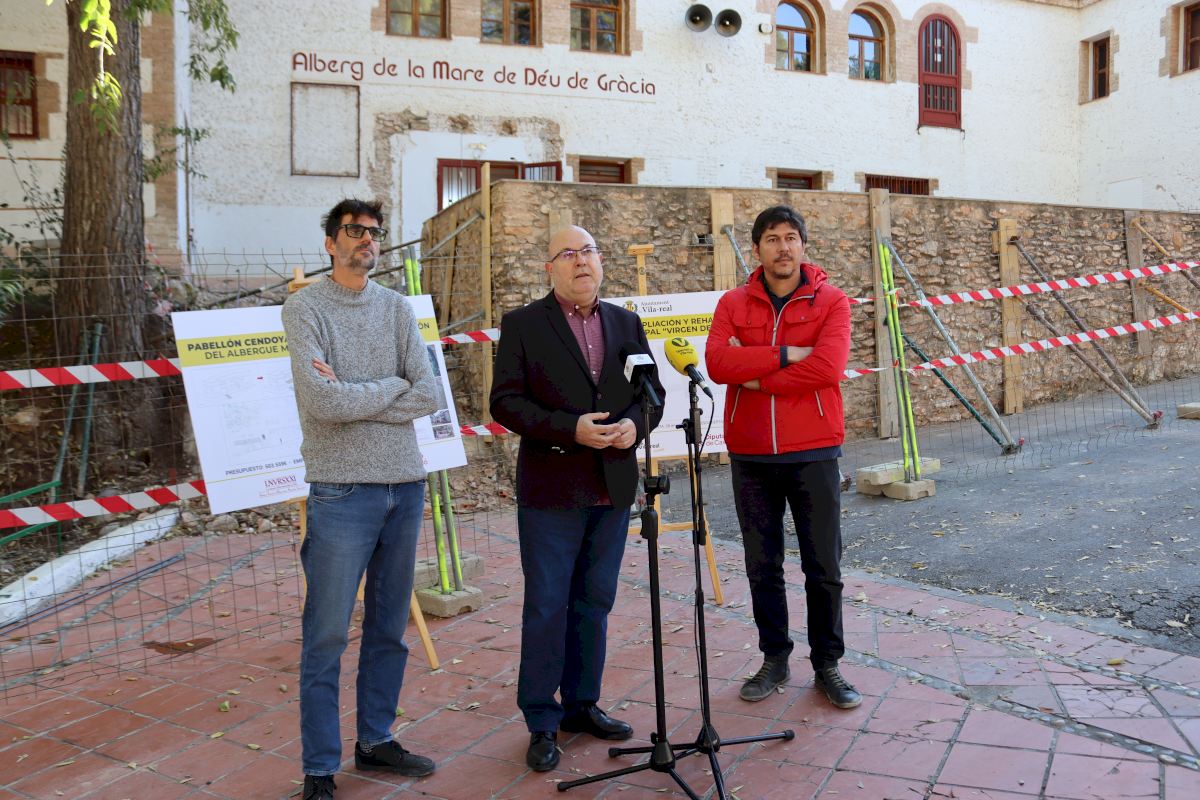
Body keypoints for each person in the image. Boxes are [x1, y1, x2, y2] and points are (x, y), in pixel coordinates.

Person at [489, 225, 665, 772]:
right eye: (568, 253)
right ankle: (542, 720)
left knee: (596, 601)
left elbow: (652, 394)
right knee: (547, 605)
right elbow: (505, 403)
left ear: (600, 261)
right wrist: (571, 429)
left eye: (588, 251)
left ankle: (582, 704)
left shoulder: (625, 323)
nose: (581, 261)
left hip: (611, 486)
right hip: (551, 490)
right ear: (550, 268)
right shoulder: (523, 324)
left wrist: (635, 426)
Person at [282, 199, 439, 800]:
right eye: (353, 231)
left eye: (374, 232)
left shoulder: (396, 307)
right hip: (341, 490)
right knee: (326, 634)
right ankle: (319, 767)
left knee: (389, 629)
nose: (366, 240)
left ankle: (375, 739)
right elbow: (322, 403)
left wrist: (358, 393)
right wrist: (391, 387)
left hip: (405, 484)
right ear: (330, 243)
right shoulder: (305, 308)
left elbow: (427, 392)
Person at [705, 205, 861, 710]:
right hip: (751, 454)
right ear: (757, 249)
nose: (783, 247)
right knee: (762, 565)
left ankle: (827, 663)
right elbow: (717, 362)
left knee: (823, 565)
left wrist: (752, 377)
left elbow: (828, 368)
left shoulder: (832, 301)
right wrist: (789, 353)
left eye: (791, 237)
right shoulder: (733, 303)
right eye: (772, 238)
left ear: (803, 245)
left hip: (814, 450)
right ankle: (775, 657)